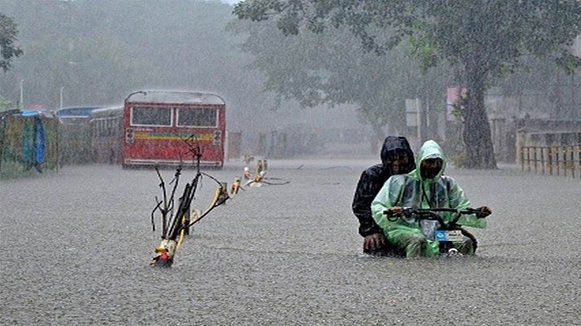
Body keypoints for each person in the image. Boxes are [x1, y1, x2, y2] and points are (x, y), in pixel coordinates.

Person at [371, 140, 491, 258]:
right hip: (405, 229)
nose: (433, 166)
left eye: (437, 162)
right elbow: (378, 206)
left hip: (439, 233)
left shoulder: (448, 184)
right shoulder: (399, 181)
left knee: (465, 241)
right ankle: (414, 273)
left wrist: (477, 214)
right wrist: (391, 212)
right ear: (420, 161)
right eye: (429, 162)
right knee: (418, 241)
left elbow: (460, 209)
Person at [352, 136, 415, 256]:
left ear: (409, 158)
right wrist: (371, 230)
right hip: (382, 226)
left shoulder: (418, 175)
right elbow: (361, 206)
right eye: (391, 159)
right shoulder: (372, 175)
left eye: (402, 158)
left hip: (416, 224)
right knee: (376, 244)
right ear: (384, 159)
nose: (397, 163)